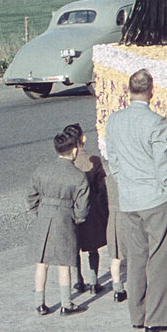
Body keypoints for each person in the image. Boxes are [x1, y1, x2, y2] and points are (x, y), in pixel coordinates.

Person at [105, 69, 167, 332]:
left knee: (137, 259)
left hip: (129, 199)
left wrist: (126, 184)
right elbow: (164, 165)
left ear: (129, 91)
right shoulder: (156, 122)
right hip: (157, 198)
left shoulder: (114, 120)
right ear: (151, 91)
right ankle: (160, 318)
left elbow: (113, 160)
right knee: (163, 259)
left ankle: (138, 314)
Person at [27, 131, 90, 316]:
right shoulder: (78, 176)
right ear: (74, 150)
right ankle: (66, 304)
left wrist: (39, 211)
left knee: (42, 263)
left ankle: (40, 304)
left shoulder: (42, 170)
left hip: (44, 216)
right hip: (64, 218)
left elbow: (31, 196)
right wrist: (76, 219)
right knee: (64, 263)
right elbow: (83, 207)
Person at [63, 124, 107, 296]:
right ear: (83, 138)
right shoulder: (93, 160)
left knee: (74, 246)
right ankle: (94, 282)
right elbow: (101, 187)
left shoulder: (67, 163)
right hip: (91, 208)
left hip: (72, 209)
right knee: (92, 247)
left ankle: (79, 280)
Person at [104, 168, 127, 302]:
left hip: (113, 218)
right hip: (128, 216)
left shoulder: (109, 179)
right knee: (135, 256)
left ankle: (118, 290)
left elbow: (101, 199)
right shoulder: (130, 175)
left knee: (116, 257)